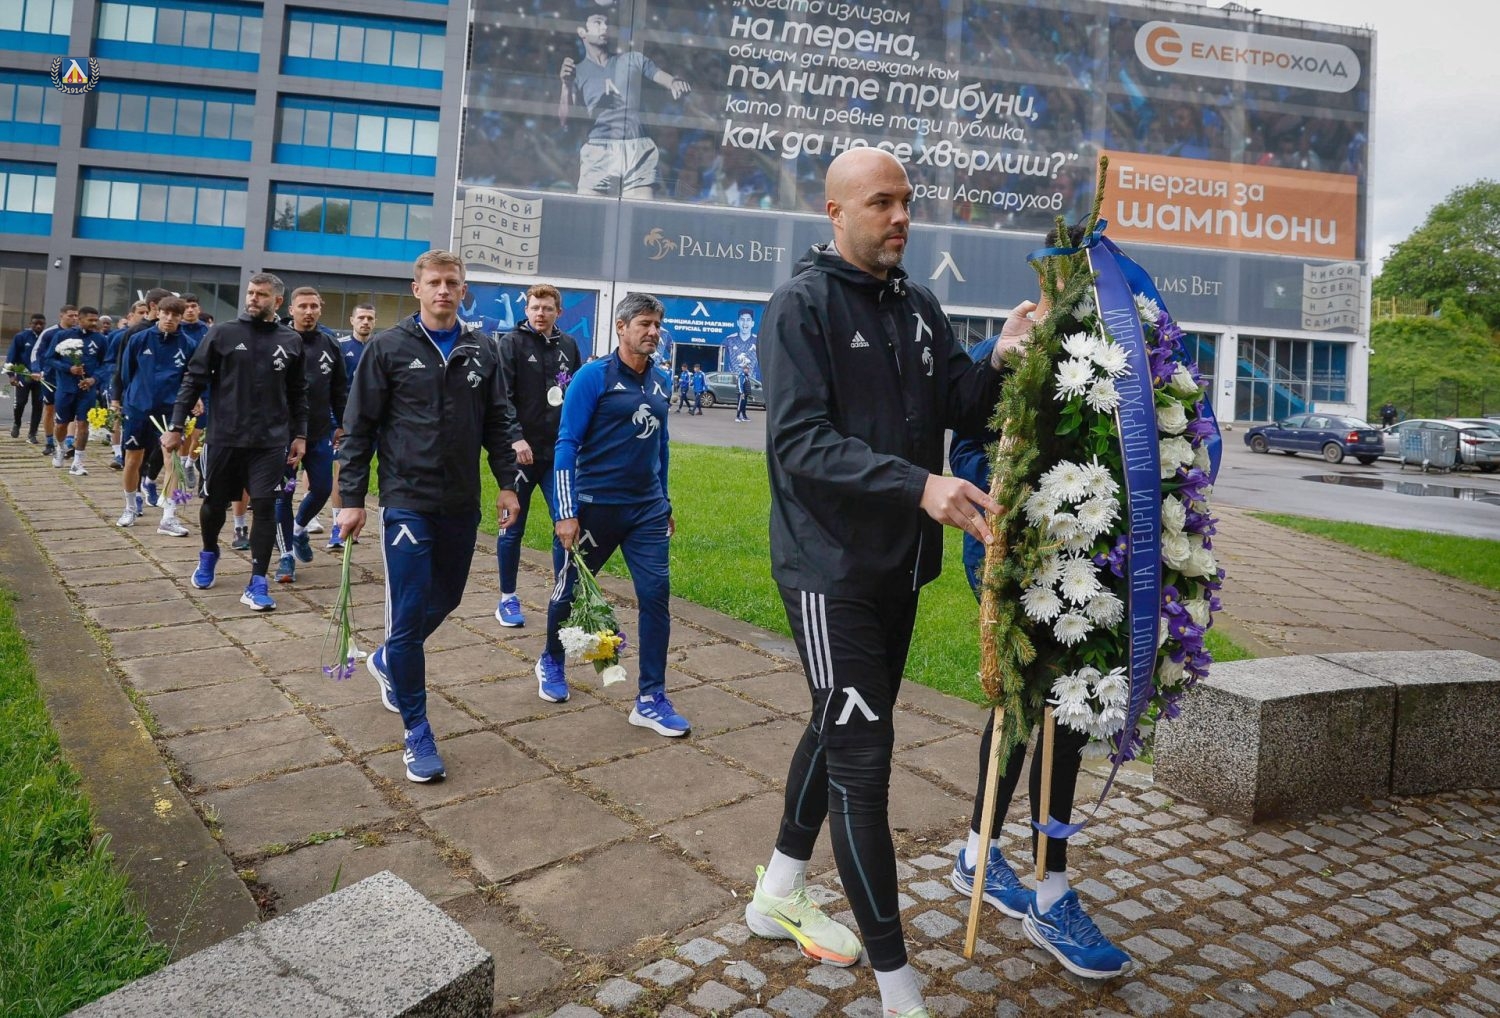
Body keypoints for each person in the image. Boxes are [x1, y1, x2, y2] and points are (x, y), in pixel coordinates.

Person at [743, 147, 1032, 1018]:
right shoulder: (800, 306)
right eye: (881, 202)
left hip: (897, 570)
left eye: (907, 201)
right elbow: (799, 442)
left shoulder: (919, 304)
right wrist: (919, 487)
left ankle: (776, 893)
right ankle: (900, 992)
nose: (902, 216)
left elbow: (958, 405)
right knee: (864, 766)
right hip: (827, 571)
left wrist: (1000, 357)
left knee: (837, 727)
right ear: (835, 213)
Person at [944, 335, 1130, 981]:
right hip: (1015, 552)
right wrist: (1025, 492)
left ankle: (983, 854)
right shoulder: (1011, 347)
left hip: (1093, 554)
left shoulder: (1122, 347)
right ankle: (1040, 890)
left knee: (1061, 710)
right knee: (1028, 702)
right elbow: (967, 444)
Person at [335, 250, 521, 783]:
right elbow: (359, 428)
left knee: (448, 598)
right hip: (406, 500)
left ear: (463, 290)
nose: (444, 290)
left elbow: (498, 420)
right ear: (416, 289)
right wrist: (351, 500)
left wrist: (507, 484)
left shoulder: (483, 349)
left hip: (460, 501)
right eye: (434, 282)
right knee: (410, 609)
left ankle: (387, 659)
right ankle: (417, 732)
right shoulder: (388, 348)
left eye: (452, 282)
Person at [534, 291, 687, 737]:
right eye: (644, 324)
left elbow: (660, 446)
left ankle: (651, 698)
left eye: (657, 325)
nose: (653, 332)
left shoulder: (661, 381)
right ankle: (551, 660)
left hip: (646, 512)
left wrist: (665, 501)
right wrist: (566, 512)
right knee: (568, 594)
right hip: (593, 509)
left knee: (656, 596)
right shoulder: (592, 377)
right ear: (621, 327)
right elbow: (567, 444)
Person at [163, 273, 308, 612]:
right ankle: (209, 552)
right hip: (225, 437)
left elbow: (298, 392)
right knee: (214, 504)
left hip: (270, 441)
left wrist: (300, 434)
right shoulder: (223, 333)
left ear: (278, 301)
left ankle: (257, 582)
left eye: (262, 294)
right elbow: (193, 380)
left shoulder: (291, 340)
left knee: (265, 506)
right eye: (251, 293)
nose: (254, 298)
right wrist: (176, 425)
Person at [494, 283, 580, 627]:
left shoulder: (569, 345)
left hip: (557, 456)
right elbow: (501, 397)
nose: (540, 314)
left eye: (547, 308)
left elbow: (574, 396)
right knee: (511, 527)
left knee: (566, 525)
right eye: (535, 308)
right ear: (526, 310)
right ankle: (507, 599)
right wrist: (516, 439)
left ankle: (564, 598)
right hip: (519, 457)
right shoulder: (511, 344)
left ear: (558, 312)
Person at [558, 12, 691, 199]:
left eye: (607, 23)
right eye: (597, 23)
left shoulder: (632, 59)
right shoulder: (576, 73)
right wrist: (566, 85)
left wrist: (675, 83)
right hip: (598, 149)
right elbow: (565, 121)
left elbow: (665, 78)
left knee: (638, 212)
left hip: (637, 147)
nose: (605, 27)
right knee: (589, 212)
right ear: (582, 32)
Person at [274, 287, 347, 584]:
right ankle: (285, 557)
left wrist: (342, 423)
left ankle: (299, 529)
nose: (308, 311)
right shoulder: (277, 340)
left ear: (320, 308)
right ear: (291, 309)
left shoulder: (330, 344)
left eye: (313, 306)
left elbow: (340, 389)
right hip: (282, 435)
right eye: (302, 306)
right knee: (283, 496)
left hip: (318, 432)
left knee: (322, 488)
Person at [116, 297, 201, 535]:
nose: (170, 319)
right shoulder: (138, 338)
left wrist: (193, 400)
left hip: (170, 411)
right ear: (158, 312)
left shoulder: (188, 344)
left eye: (175, 315)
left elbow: (191, 378)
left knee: (172, 460)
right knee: (133, 459)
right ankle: (130, 507)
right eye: (166, 313)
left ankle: (169, 517)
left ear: (181, 317)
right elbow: (126, 373)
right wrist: (129, 398)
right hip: (138, 409)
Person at [327, 302, 378, 551]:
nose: (365, 322)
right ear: (352, 320)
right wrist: (336, 424)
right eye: (361, 318)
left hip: (378, 423)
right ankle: (338, 526)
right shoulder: (341, 347)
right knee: (343, 472)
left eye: (370, 318)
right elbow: (332, 389)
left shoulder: (379, 348)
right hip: (348, 424)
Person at [46, 306, 108, 476]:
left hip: (87, 390)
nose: (94, 323)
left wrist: (94, 379)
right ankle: (60, 448)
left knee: (83, 424)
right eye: (90, 320)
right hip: (65, 388)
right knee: (61, 424)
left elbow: (107, 364)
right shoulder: (62, 336)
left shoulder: (100, 340)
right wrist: (68, 368)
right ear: (79, 319)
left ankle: (78, 462)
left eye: (96, 320)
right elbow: (49, 358)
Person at [32, 304, 80, 457]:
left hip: (70, 378)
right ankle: (49, 441)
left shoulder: (79, 333)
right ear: (62, 316)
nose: (74, 318)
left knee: (71, 410)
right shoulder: (49, 333)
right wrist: (36, 369)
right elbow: (37, 352)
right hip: (51, 377)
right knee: (49, 408)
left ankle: (68, 442)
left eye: (76, 316)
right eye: (70, 315)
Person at [6, 313, 47, 442]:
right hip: (23, 375)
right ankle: (17, 422)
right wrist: (11, 375)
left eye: (41, 324)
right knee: (20, 402)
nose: (38, 326)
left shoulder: (46, 338)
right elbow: (11, 357)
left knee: (38, 405)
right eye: (36, 323)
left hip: (41, 378)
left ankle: (32, 433)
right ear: (30, 324)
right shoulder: (21, 337)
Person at [722, 307, 760, 380]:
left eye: (748, 320)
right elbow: (723, 361)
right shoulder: (729, 340)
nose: (745, 323)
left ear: (752, 323)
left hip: (751, 382)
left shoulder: (758, 340)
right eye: (742, 319)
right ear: (738, 322)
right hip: (733, 382)